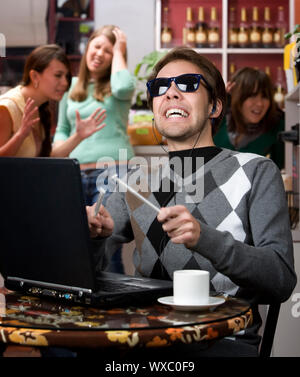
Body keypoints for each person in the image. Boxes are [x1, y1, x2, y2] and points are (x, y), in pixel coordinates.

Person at [87, 47, 296, 357]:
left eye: (186, 83)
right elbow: (86, 277)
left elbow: (280, 279)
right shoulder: (134, 181)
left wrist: (205, 239)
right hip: (143, 340)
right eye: (160, 87)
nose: (170, 93)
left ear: (214, 106)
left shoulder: (255, 171)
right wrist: (91, 237)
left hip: (222, 342)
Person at [52, 25, 135, 272]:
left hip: (114, 171)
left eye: (108, 51)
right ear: (87, 48)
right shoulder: (72, 86)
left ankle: (115, 310)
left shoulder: (117, 85)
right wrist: (70, 141)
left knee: (106, 245)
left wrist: (120, 48)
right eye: (96, 46)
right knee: (76, 246)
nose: (99, 53)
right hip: (75, 174)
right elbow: (60, 136)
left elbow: (124, 87)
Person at [0, 44, 72, 157]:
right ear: (34, 76)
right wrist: (20, 135)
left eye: (66, 76)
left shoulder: (41, 108)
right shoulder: (6, 107)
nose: (65, 83)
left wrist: (79, 135)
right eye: (58, 75)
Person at [213, 67, 285, 170]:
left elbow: (279, 172)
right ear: (237, 96)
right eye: (252, 96)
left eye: (265, 96)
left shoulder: (277, 128)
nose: (260, 103)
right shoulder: (217, 121)